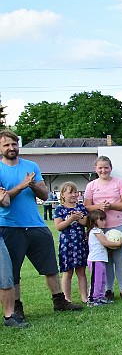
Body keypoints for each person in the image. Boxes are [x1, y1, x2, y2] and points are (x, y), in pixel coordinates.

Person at [0, 129, 83, 318]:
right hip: (9, 226)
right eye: (6, 145)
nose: (11, 148)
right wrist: (21, 185)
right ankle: (16, 307)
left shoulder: (31, 166)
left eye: (14, 144)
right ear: (0, 148)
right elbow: (2, 199)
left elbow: (44, 195)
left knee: (50, 266)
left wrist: (31, 184)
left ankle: (59, 300)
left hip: (36, 224)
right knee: (13, 270)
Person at [84, 156, 122, 301]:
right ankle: (108, 290)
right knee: (105, 260)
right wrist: (99, 207)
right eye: (100, 168)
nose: (103, 170)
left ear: (110, 168)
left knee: (119, 259)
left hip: (119, 225)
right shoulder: (91, 186)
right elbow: (87, 206)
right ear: (96, 169)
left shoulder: (120, 183)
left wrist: (111, 206)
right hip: (101, 229)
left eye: (106, 167)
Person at [54, 181, 89, 304]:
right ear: (63, 195)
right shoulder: (59, 209)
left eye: (75, 192)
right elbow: (58, 226)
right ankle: (67, 299)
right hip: (67, 244)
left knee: (81, 271)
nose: (74, 195)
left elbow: (85, 223)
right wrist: (70, 219)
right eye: (70, 192)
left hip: (80, 243)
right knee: (67, 273)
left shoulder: (81, 207)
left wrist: (78, 218)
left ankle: (84, 297)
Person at [85, 210, 122, 306]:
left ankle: (101, 297)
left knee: (102, 279)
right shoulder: (95, 231)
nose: (104, 222)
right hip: (95, 260)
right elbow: (105, 243)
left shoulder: (100, 231)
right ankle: (92, 299)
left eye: (104, 219)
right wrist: (117, 243)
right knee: (96, 280)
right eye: (101, 220)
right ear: (94, 221)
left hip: (101, 259)